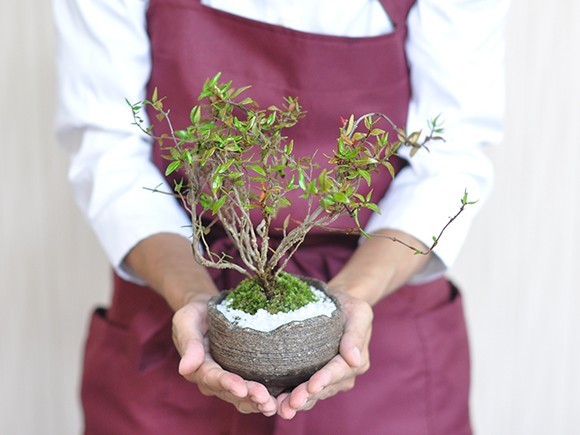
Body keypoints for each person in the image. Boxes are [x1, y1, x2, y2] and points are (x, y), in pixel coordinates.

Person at [54, 0, 508, 433]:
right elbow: (107, 146)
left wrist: (350, 298)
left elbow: (450, 156)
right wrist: (192, 293)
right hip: (176, 298)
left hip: (384, 328)